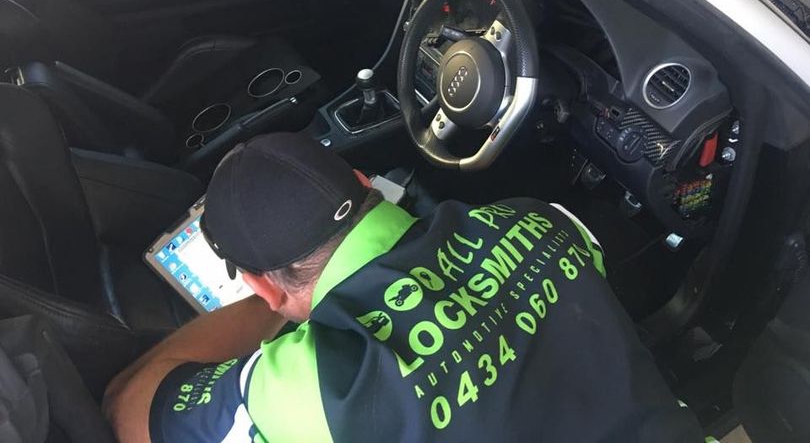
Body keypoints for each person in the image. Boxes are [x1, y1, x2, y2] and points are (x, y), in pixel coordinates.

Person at [103, 132, 706, 442]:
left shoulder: (308, 385)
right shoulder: (539, 219)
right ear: (367, 181)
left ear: (262, 287)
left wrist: (287, 311)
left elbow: (128, 408)